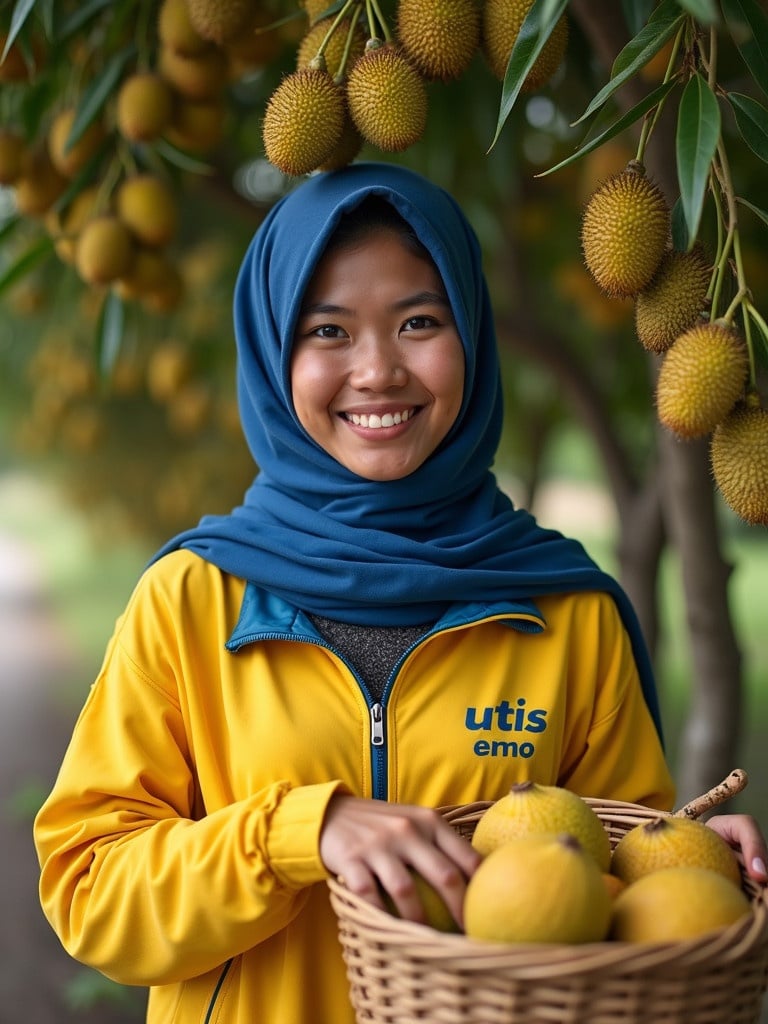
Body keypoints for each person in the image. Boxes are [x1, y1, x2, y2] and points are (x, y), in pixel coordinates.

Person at [34, 163, 767, 1024]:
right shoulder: (192, 599)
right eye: (328, 331)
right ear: (274, 353)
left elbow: (608, 900)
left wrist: (686, 862)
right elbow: (91, 894)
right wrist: (295, 833)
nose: (378, 370)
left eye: (420, 321)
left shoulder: (571, 614)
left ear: (474, 336)